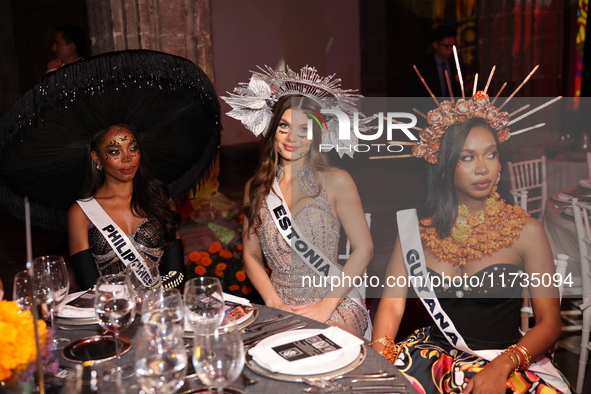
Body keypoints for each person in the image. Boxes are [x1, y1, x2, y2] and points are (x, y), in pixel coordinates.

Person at [371, 91, 571, 391]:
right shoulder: (416, 230)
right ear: (443, 167)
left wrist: (503, 366)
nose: (482, 168)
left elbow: (549, 322)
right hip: (428, 357)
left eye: (490, 154)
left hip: (504, 359)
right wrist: (378, 359)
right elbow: (392, 306)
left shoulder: (526, 230)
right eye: (467, 158)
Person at [223, 66, 373, 338]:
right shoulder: (255, 188)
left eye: (304, 129)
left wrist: (326, 307)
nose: (293, 138)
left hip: (334, 300)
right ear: (272, 129)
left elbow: (364, 249)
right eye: (284, 126)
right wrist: (274, 303)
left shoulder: (336, 180)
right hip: (278, 301)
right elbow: (251, 253)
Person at [68, 124, 184, 290]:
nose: (127, 158)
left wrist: (147, 297)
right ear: (96, 157)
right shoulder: (81, 212)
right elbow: (89, 284)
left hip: (157, 308)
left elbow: (176, 274)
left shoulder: (160, 200)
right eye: (115, 151)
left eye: (133, 148)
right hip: (112, 310)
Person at [410, 25, 461, 98]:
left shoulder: (456, 63)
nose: (450, 49)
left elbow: (457, 90)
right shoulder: (423, 67)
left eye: (453, 46)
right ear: (435, 45)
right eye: (447, 46)